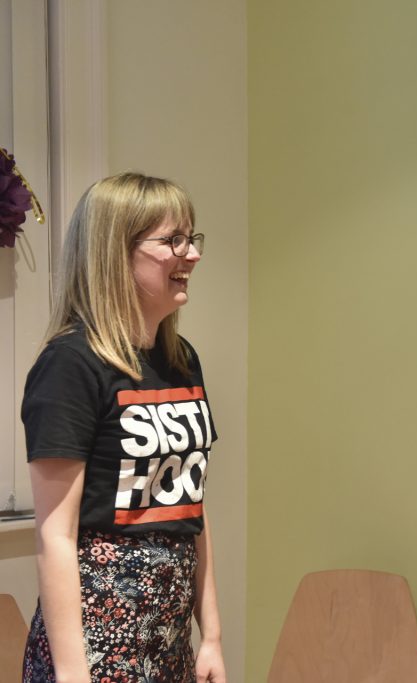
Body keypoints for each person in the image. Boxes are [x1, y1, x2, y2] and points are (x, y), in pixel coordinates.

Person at [21, 173, 226, 683]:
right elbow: (56, 536)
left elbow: (191, 507)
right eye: (172, 240)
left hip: (168, 633)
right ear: (116, 252)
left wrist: (213, 637)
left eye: (191, 237)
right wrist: (73, 673)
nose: (191, 255)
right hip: (95, 640)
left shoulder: (181, 360)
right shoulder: (70, 364)